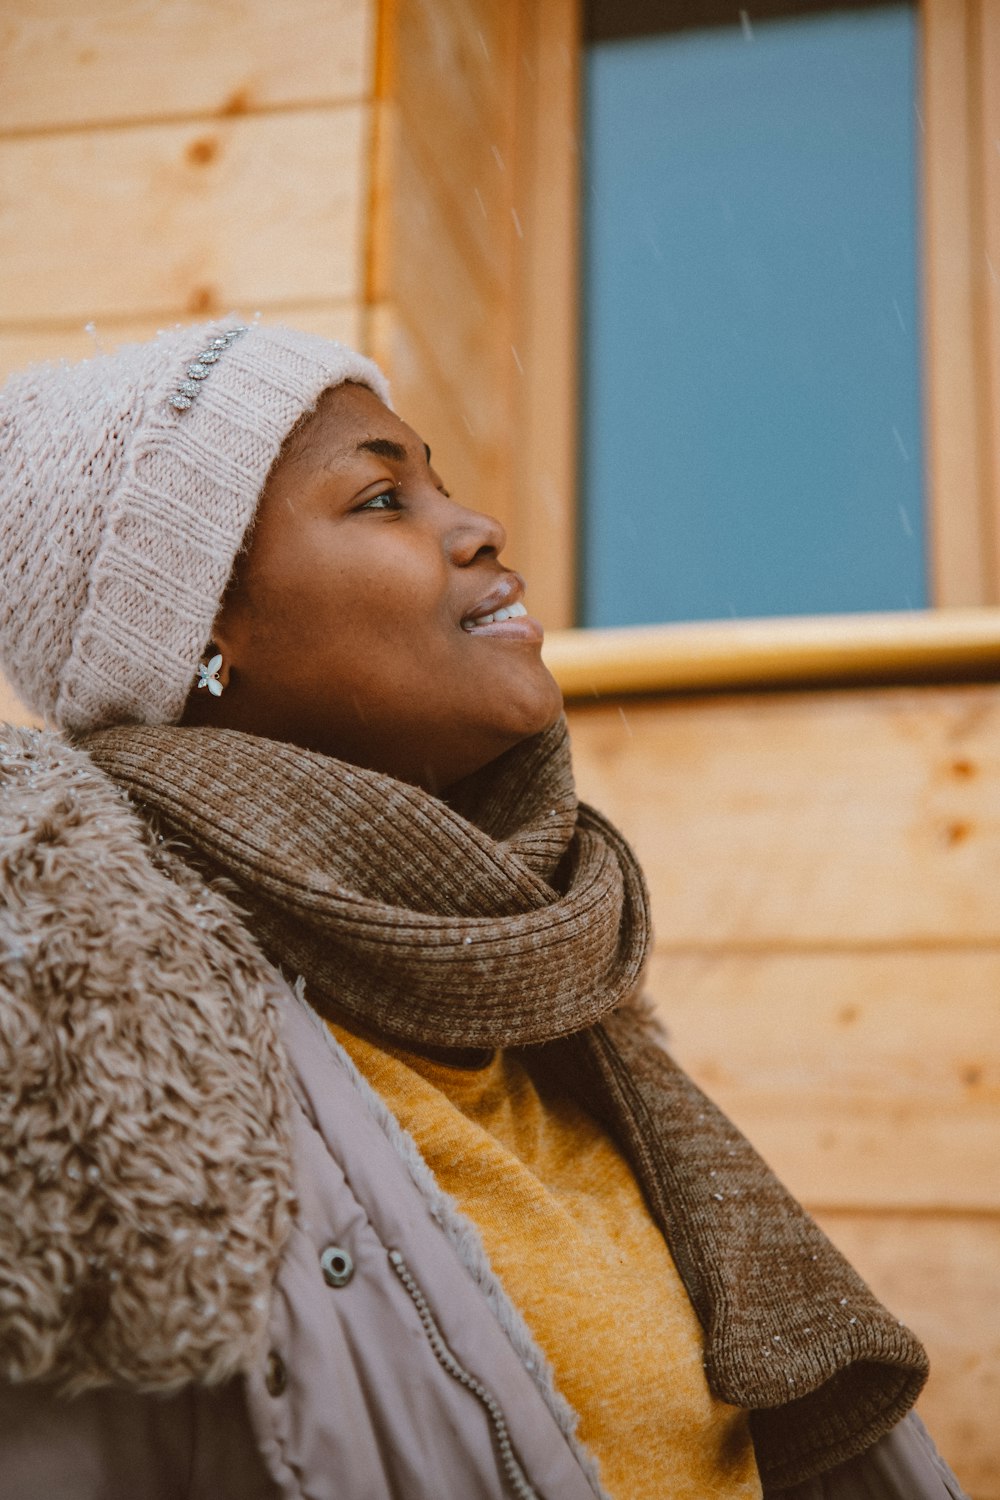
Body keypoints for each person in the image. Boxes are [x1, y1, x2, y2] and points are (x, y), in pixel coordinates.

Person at [0, 321, 966, 1499]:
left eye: (443, 485)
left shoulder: (548, 1002)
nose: (478, 527)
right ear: (202, 636)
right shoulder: (81, 1070)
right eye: (378, 501)